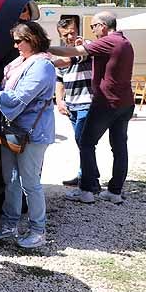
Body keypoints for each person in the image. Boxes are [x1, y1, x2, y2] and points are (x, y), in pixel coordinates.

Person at [0, 21, 56, 249]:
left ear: (33, 40)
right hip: (14, 131)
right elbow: (8, 91)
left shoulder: (42, 66)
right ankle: (10, 224)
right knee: (11, 181)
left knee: (30, 184)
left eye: (19, 41)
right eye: (15, 41)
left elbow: (20, 98)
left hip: (32, 133)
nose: (15, 45)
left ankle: (38, 231)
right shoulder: (23, 63)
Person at [50, 11, 135, 204]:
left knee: (86, 143)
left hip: (106, 102)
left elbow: (70, 52)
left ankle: (87, 190)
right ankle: (115, 191)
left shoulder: (109, 41)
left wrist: (41, 48)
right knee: (119, 147)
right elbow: (72, 60)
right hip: (125, 103)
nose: (93, 30)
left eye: (94, 26)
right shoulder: (124, 42)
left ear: (103, 26)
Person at [54, 18, 92, 188]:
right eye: (66, 34)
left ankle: (88, 180)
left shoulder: (86, 45)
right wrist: (60, 101)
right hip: (72, 104)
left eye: (72, 32)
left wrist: (43, 62)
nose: (70, 36)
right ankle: (85, 175)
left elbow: (72, 59)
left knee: (84, 142)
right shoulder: (62, 51)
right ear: (60, 36)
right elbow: (59, 79)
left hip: (87, 101)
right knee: (81, 143)